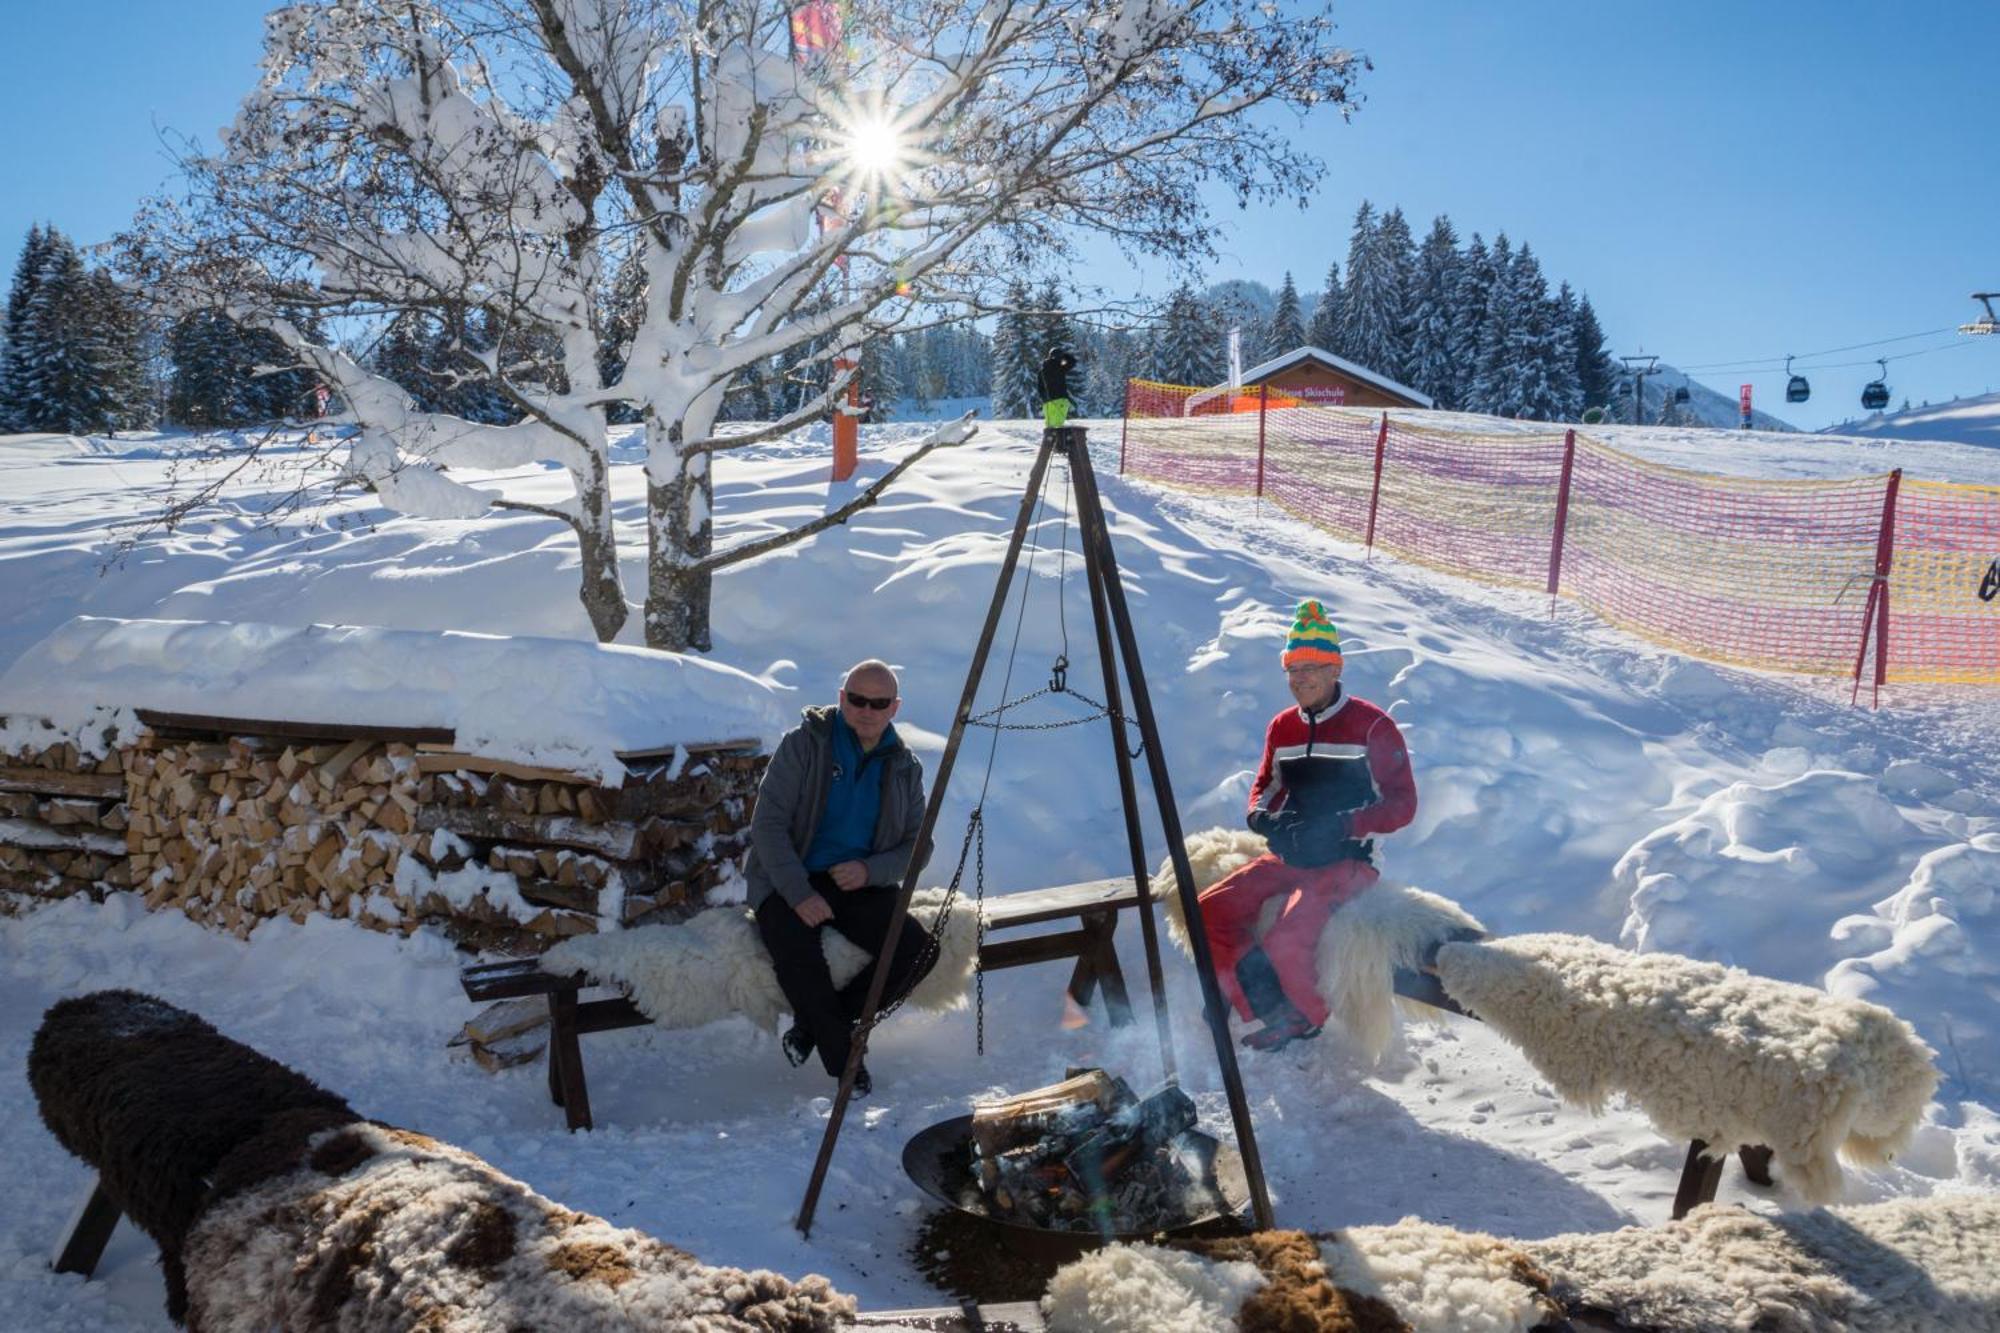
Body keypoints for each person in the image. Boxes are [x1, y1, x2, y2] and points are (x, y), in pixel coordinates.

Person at [1197, 600, 1418, 1051]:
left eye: (1312, 667)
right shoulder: (1283, 727)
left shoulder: (1373, 726)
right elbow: (1264, 786)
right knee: (1209, 907)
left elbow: (1403, 804)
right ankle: (1254, 1000)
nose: (1300, 679)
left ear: (1335, 669)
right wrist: (1265, 819)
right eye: (1292, 669)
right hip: (1293, 853)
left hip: (1348, 859)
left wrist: (1344, 825)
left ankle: (1306, 1015)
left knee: (1288, 932)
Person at [744, 659, 934, 1096]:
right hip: (787, 874)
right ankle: (848, 1068)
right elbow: (767, 825)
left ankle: (819, 1028)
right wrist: (797, 892)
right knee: (800, 957)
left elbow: (917, 847)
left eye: (878, 702)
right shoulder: (804, 745)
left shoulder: (905, 767)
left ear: (894, 707)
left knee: (919, 950)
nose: (866, 710)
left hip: (857, 882)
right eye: (857, 699)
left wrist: (871, 869)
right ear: (841, 698)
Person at [1038, 345, 1078, 429]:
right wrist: (1065, 355)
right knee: (1058, 425)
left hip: (1048, 401)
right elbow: (1073, 361)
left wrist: (1044, 398)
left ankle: (1050, 441)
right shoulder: (1060, 368)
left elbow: (1040, 387)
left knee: (1050, 426)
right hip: (1060, 399)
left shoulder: (1042, 370)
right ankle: (1059, 441)